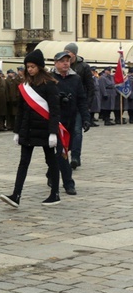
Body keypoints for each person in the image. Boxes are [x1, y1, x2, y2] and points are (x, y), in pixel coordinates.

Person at [0, 49, 61, 208]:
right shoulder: (25, 86)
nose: (30, 69)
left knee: (51, 161)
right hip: (28, 130)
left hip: (45, 130)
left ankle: (55, 193)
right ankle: (16, 195)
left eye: (33, 66)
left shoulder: (50, 85)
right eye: (28, 66)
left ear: (40, 67)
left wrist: (53, 132)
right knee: (23, 162)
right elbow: (21, 110)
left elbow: (55, 110)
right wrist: (17, 131)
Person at [50, 52, 90, 198]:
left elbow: (81, 99)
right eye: (62, 61)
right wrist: (58, 99)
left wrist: (86, 117)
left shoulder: (76, 78)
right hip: (56, 121)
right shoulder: (50, 78)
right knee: (62, 152)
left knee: (67, 149)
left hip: (71, 119)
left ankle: (51, 172)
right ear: (55, 63)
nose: (65, 63)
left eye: (67, 61)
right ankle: (69, 183)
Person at [63, 43, 95, 169]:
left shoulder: (84, 67)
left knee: (77, 131)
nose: (66, 54)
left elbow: (91, 87)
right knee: (65, 131)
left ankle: (75, 157)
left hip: (78, 105)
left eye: (68, 52)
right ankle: (64, 155)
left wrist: (87, 106)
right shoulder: (62, 64)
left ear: (74, 54)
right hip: (65, 105)